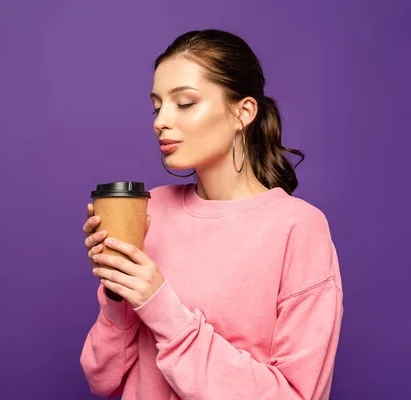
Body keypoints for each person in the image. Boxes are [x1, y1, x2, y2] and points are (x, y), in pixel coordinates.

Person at [79, 29, 343, 400]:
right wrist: (117, 289)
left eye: (184, 103)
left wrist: (159, 305)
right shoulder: (151, 209)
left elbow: (297, 395)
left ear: (243, 112)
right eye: (157, 106)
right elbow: (103, 379)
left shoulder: (298, 228)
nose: (161, 121)